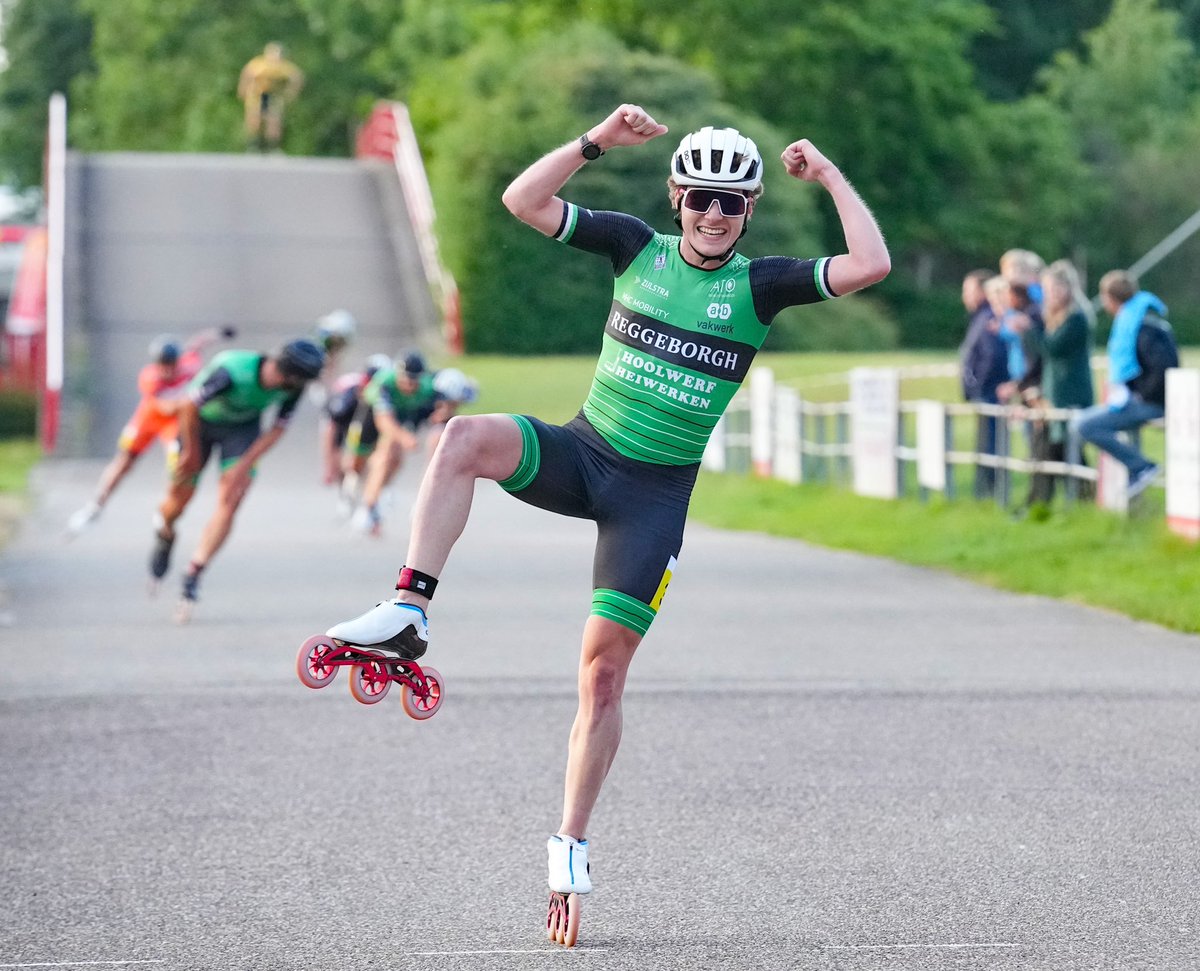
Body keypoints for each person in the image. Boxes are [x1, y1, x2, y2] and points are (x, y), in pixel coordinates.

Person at [315, 103, 889, 941]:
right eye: (700, 198)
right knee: (463, 437)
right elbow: (522, 201)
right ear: (676, 196)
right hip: (583, 453)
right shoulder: (633, 246)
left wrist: (829, 173)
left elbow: (871, 264)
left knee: (603, 677)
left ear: (751, 208)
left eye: (732, 203)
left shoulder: (761, 285)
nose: (714, 215)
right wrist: (594, 143)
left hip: (650, 499)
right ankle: (409, 608)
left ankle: (569, 845)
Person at [149, 338, 325, 618]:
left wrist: (244, 466)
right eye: (296, 381)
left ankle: (194, 571)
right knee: (178, 500)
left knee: (231, 499)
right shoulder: (232, 370)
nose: (297, 387)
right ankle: (166, 531)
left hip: (241, 430)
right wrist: (191, 452)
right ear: (288, 375)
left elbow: (278, 429)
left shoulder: (294, 386)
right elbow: (189, 407)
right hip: (198, 424)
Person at [67, 327, 236, 536]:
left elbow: (196, 344)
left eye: (171, 364)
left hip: (174, 423)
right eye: (162, 364)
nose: (167, 370)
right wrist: (193, 401)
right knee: (125, 460)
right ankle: (96, 504)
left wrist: (218, 334)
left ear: (178, 361)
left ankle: (165, 508)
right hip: (150, 417)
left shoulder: (189, 365)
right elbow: (165, 407)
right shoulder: (150, 377)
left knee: (178, 462)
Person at [1075, 269, 1179, 501]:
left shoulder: (1142, 327)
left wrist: (1140, 395)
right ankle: (1139, 468)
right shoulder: (1137, 320)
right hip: (1143, 398)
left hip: (1152, 402)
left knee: (1085, 425)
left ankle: (1141, 466)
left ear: (1110, 298)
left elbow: (1162, 369)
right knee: (1082, 422)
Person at [1016, 260, 1095, 508]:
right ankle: (1052, 502)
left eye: (1056, 289)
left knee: (1067, 448)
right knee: (1055, 449)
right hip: (1055, 392)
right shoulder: (1057, 318)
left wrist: (1028, 331)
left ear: (1069, 288)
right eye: (1048, 289)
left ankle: (1079, 501)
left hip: (1071, 393)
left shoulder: (1076, 319)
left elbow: (1051, 349)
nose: (1052, 294)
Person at [342, 351, 440, 535]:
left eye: (414, 381)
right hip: (371, 415)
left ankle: (371, 504)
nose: (409, 385)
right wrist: (404, 437)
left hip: (401, 416)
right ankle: (356, 485)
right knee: (355, 463)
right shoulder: (385, 383)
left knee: (391, 458)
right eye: (405, 379)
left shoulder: (428, 387)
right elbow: (384, 421)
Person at [958, 269, 1007, 499]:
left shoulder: (987, 318)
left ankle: (989, 494)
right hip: (986, 392)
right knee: (986, 444)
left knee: (990, 445)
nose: (965, 296)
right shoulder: (981, 317)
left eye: (968, 290)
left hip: (989, 393)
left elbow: (991, 356)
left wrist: (976, 385)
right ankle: (985, 494)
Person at [320, 352, 393, 492]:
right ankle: (344, 483)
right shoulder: (349, 392)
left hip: (364, 419)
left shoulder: (387, 393)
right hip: (342, 419)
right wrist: (330, 465)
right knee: (346, 459)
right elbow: (332, 427)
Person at [237, 42, 304, 152]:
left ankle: (273, 147)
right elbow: (247, 74)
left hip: (274, 95)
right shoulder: (258, 64)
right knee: (254, 118)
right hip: (257, 94)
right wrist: (243, 88)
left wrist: (291, 92)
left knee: (274, 120)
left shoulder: (284, 67)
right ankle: (253, 145)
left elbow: (297, 78)